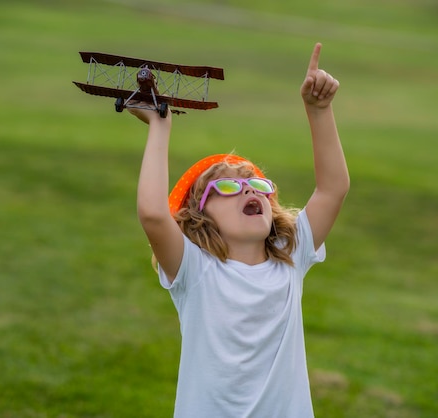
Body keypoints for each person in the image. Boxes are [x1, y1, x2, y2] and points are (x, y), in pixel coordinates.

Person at [130, 43, 349, 418]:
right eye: (228, 187)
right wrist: (159, 126)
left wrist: (319, 110)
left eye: (257, 184)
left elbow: (333, 189)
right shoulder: (194, 270)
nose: (249, 189)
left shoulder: (292, 255)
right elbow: (153, 214)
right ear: (200, 217)